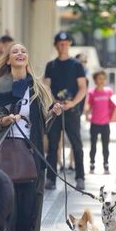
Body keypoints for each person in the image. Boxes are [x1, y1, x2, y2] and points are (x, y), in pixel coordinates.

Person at [0, 42, 62, 231]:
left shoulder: (36, 87)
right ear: (8, 60)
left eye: (23, 51)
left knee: (27, 206)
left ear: (27, 59)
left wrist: (52, 113)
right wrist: (6, 119)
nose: (20, 53)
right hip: (5, 151)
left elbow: (41, 123)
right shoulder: (0, 86)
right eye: (15, 51)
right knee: (7, 207)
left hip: (30, 152)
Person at [44, 31, 87, 190]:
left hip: (71, 111)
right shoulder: (51, 65)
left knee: (77, 145)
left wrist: (73, 103)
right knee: (53, 146)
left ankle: (80, 177)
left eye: (66, 42)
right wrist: (53, 101)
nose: (63, 45)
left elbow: (83, 88)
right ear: (56, 45)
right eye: (60, 43)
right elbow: (46, 86)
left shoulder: (76, 65)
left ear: (69, 44)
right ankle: (51, 179)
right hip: (55, 111)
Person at [84, 69, 114, 174]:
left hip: (105, 124)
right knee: (93, 146)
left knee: (106, 146)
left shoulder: (109, 92)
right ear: (95, 80)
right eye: (98, 78)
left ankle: (106, 165)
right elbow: (89, 105)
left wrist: (114, 116)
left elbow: (113, 106)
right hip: (95, 123)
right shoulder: (92, 92)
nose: (101, 80)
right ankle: (92, 164)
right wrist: (86, 115)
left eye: (103, 78)